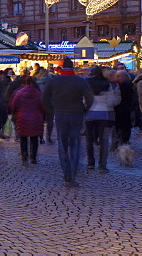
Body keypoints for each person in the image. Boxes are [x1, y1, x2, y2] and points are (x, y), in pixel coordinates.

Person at [42, 57, 93, 188]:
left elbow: (44, 98)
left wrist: (52, 109)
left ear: (62, 67)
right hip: (76, 113)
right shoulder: (80, 81)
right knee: (75, 143)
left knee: (63, 143)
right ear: (73, 67)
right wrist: (84, 110)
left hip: (60, 114)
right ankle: (73, 173)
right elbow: (90, 98)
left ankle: (66, 173)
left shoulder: (54, 81)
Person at [84, 67, 120, 172]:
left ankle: (90, 163)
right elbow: (112, 101)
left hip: (89, 115)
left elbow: (83, 100)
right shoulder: (108, 84)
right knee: (104, 141)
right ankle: (102, 165)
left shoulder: (87, 84)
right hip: (106, 115)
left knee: (89, 140)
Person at [8, 75, 45, 165]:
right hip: (36, 117)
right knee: (34, 138)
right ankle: (33, 158)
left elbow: (13, 105)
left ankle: (24, 156)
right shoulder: (38, 93)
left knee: (23, 138)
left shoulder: (18, 93)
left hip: (22, 117)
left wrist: (15, 112)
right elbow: (43, 106)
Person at [113, 71, 135, 148]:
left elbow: (131, 97)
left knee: (126, 125)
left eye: (122, 76)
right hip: (117, 108)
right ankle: (119, 138)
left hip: (125, 108)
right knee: (117, 125)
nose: (120, 78)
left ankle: (125, 140)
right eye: (118, 76)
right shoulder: (114, 85)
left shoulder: (128, 85)